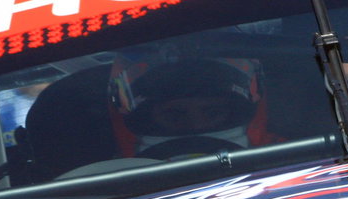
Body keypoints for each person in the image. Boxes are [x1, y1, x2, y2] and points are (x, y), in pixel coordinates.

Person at [111, 57, 273, 156]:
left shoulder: (282, 159)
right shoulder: (106, 177)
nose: (196, 125)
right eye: (175, 115)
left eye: (212, 113)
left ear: (236, 112)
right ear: (146, 119)